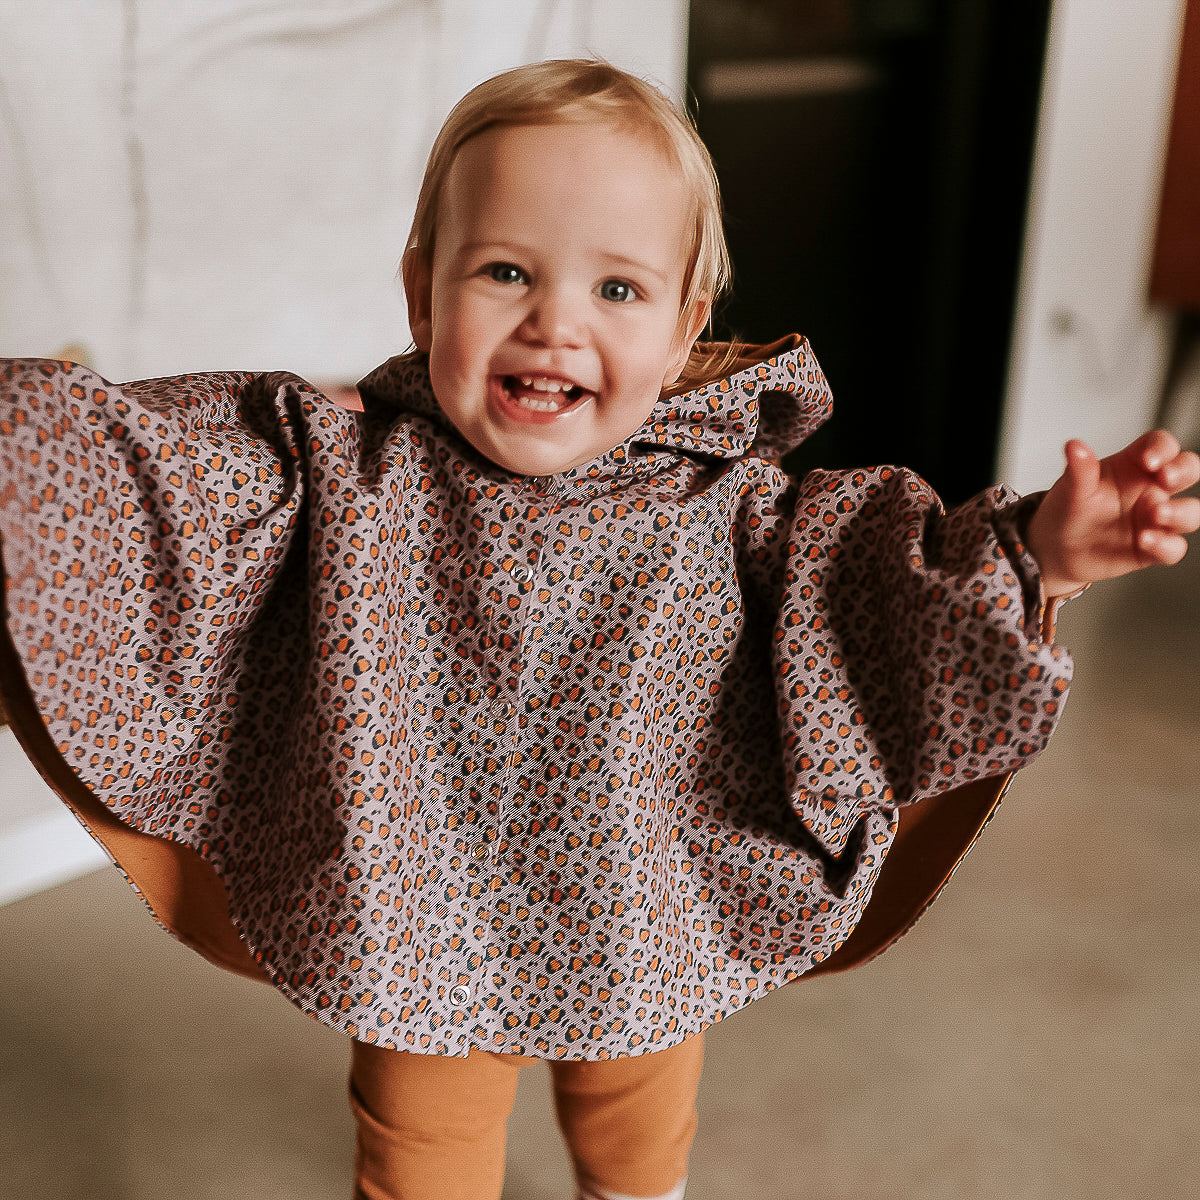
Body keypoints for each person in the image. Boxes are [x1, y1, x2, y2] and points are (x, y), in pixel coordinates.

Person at [1, 58, 1197, 1200]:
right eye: (505, 273)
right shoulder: (341, 471)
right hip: (417, 913)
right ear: (423, 288)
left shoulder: (728, 504)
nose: (554, 324)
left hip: (647, 904)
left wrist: (1037, 549)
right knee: (421, 1131)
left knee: (635, 1106)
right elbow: (158, 481)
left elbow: (879, 582)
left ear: (685, 326)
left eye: (615, 289)